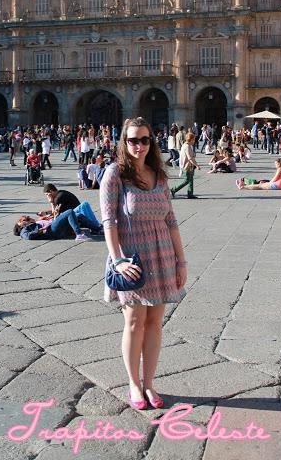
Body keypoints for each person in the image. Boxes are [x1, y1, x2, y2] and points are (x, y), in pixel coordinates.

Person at [100, 116, 186, 410]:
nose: (139, 145)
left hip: (162, 254)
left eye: (145, 140)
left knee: (155, 323)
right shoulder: (114, 174)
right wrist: (118, 260)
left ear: (152, 142)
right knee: (134, 322)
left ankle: (150, 383)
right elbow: (109, 221)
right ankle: (134, 384)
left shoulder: (159, 175)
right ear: (124, 143)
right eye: (133, 140)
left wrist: (181, 261)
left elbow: (171, 220)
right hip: (131, 259)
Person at [14, 210, 92, 242]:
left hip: (54, 227)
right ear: (19, 226)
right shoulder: (23, 231)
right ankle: (79, 234)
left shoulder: (34, 223)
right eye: (21, 222)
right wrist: (42, 229)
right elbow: (29, 236)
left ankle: (97, 229)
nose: (24, 221)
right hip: (50, 230)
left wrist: (56, 216)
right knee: (70, 212)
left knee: (77, 215)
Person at [171, 132, 201, 199]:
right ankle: (173, 189)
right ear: (191, 139)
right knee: (186, 180)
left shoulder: (185, 145)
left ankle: (190, 193)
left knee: (190, 180)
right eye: (194, 139)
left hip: (188, 166)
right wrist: (197, 165)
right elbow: (190, 158)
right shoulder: (187, 147)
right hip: (187, 166)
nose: (194, 141)